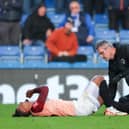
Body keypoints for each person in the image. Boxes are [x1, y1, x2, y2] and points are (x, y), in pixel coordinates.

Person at [12, 75, 104, 117]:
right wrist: (33, 91)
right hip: (79, 108)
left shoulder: (36, 108)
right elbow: (45, 89)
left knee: (104, 97)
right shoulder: (35, 109)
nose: (21, 102)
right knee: (98, 78)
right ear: (24, 110)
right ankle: (112, 108)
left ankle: (112, 108)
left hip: (80, 108)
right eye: (21, 105)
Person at [96, 40, 129, 114]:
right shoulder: (112, 64)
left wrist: (120, 76)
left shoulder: (125, 49)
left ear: (109, 48)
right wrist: (109, 105)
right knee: (122, 100)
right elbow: (112, 85)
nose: (101, 56)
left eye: (101, 53)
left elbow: (119, 77)